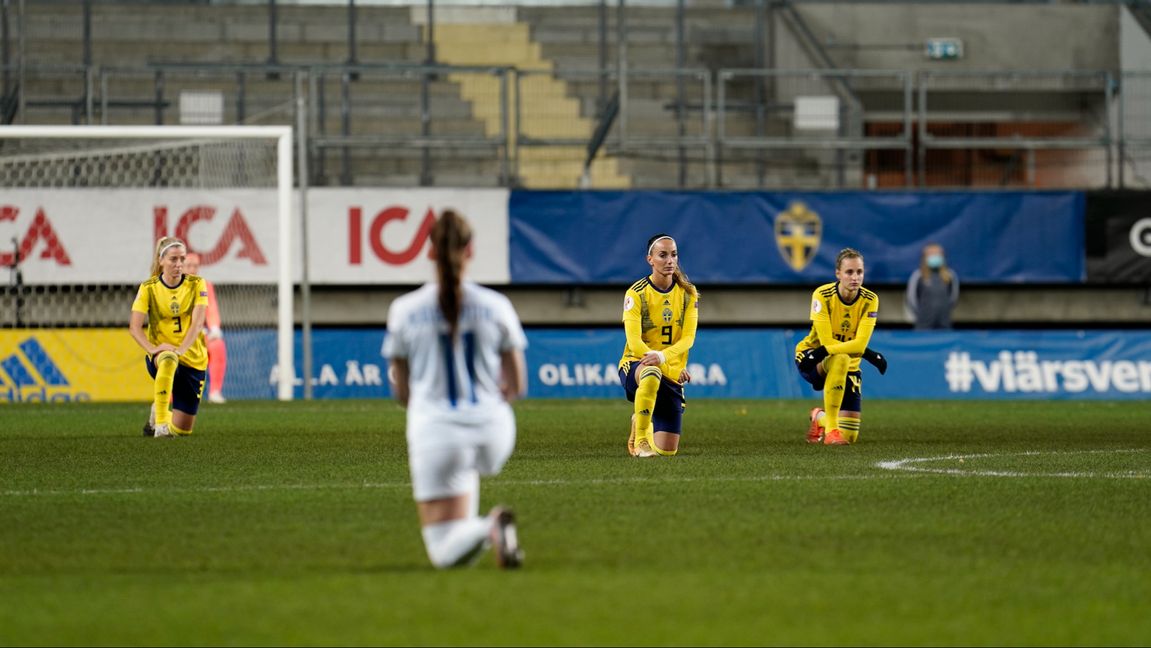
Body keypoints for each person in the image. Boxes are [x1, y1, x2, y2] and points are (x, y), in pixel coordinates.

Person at [382, 209, 527, 570]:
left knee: (444, 552)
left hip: (438, 433)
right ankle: (488, 527)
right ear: (471, 250)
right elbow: (518, 385)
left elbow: (403, 394)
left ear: (429, 251)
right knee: (466, 467)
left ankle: (490, 526)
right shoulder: (496, 306)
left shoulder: (405, 310)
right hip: (495, 432)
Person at [795, 248, 888, 446]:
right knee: (841, 357)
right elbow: (827, 343)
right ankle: (831, 432)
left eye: (859, 272)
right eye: (849, 272)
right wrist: (870, 356)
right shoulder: (823, 295)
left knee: (850, 437)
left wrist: (865, 352)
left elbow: (860, 344)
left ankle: (820, 417)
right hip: (812, 358)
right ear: (838, 273)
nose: (855, 277)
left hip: (849, 364)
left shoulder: (870, 300)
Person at [618, 233, 699, 458]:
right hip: (636, 366)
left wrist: (665, 361)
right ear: (650, 259)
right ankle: (641, 441)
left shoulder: (688, 293)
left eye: (673, 255)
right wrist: (667, 366)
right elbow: (634, 343)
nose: (669, 260)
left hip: (670, 372)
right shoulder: (637, 293)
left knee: (667, 450)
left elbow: (688, 339)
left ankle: (640, 419)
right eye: (662, 255)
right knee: (651, 372)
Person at [129, 237, 208, 438]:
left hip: (192, 359)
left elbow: (198, 324)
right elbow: (135, 327)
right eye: (173, 259)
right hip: (161, 357)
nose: (179, 264)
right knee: (168, 358)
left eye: (182, 259)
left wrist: (181, 350)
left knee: (183, 430)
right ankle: (161, 425)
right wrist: (152, 349)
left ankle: (158, 414)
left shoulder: (197, 284)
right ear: (161, 260)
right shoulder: (149, 288)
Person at [183, 252, 228, 404]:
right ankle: (171, 396)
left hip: (200, 334)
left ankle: (215, 391)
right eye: (189, 265)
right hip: (178, 335)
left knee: (217, 345)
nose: (192, 269)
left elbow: (212, 309)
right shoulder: (173, 286)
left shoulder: (205, 285)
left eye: (195, 266)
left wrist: (214, 328)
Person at [905, 243, 960, 330]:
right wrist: (921, 313)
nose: (935, 257)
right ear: (925, 257)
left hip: (944, 323)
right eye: (931, 254)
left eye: (938, 254)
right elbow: (911, 299)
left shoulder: (950, 276)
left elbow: (953, 297)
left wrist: (943, 310)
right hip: (923, 324)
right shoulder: (918, 276)